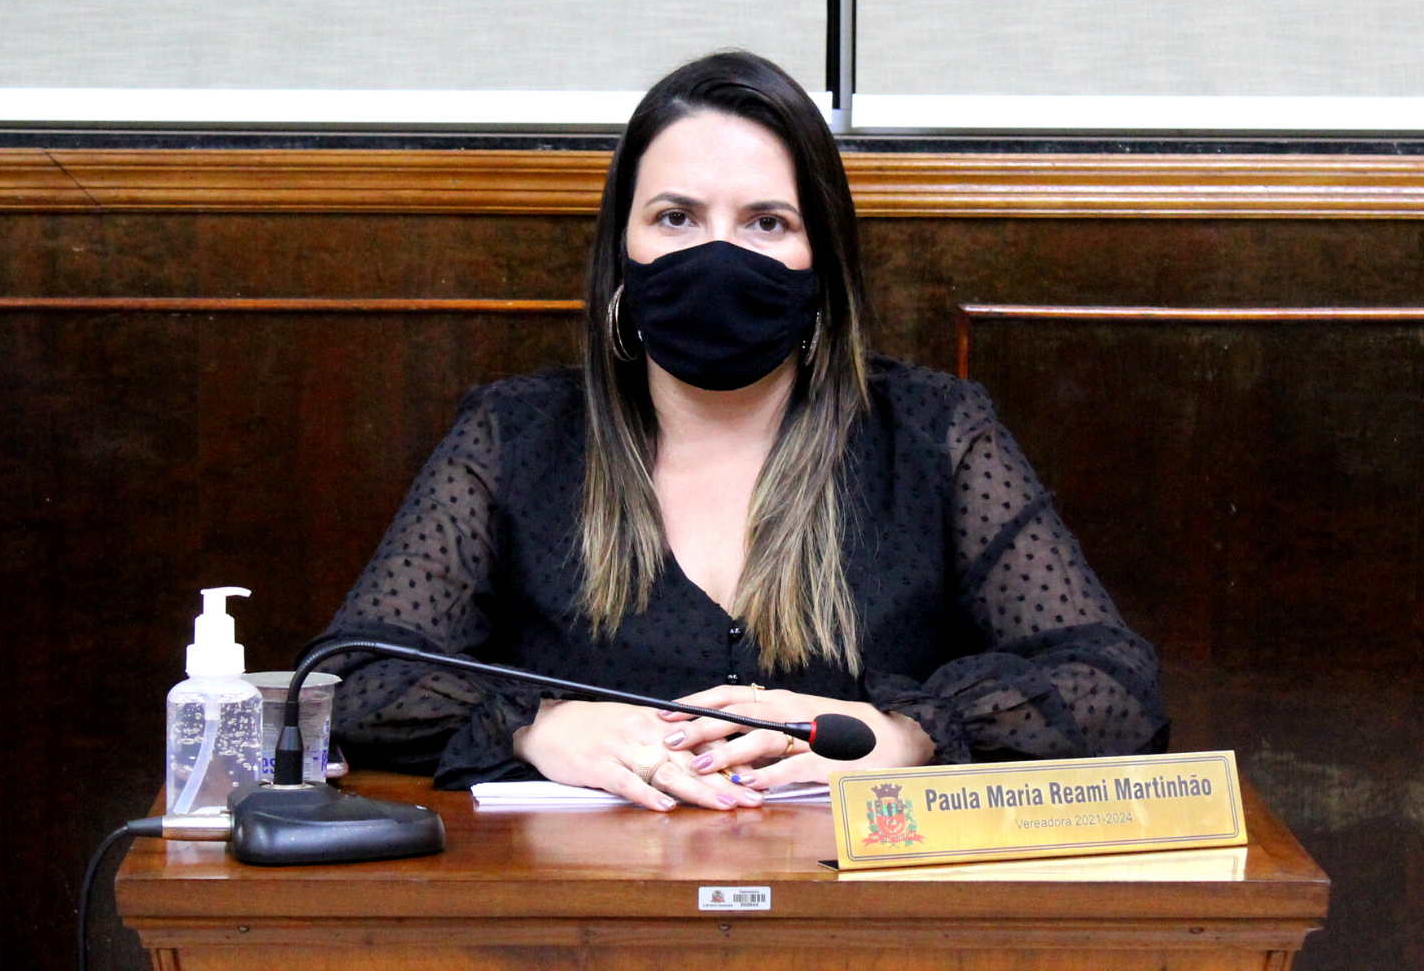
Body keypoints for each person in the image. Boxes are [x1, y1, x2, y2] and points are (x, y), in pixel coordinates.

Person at [301, 51, 1168, 812]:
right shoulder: (514, 437)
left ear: (821, 263)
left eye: (766, 222)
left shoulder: (933, 433)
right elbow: (347, 681)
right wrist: (539, 725)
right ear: (622, 251)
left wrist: (904, 734)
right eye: (676, 218)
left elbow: (1116, 687)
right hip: (585, 906)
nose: (718, 257)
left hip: (852, 906)